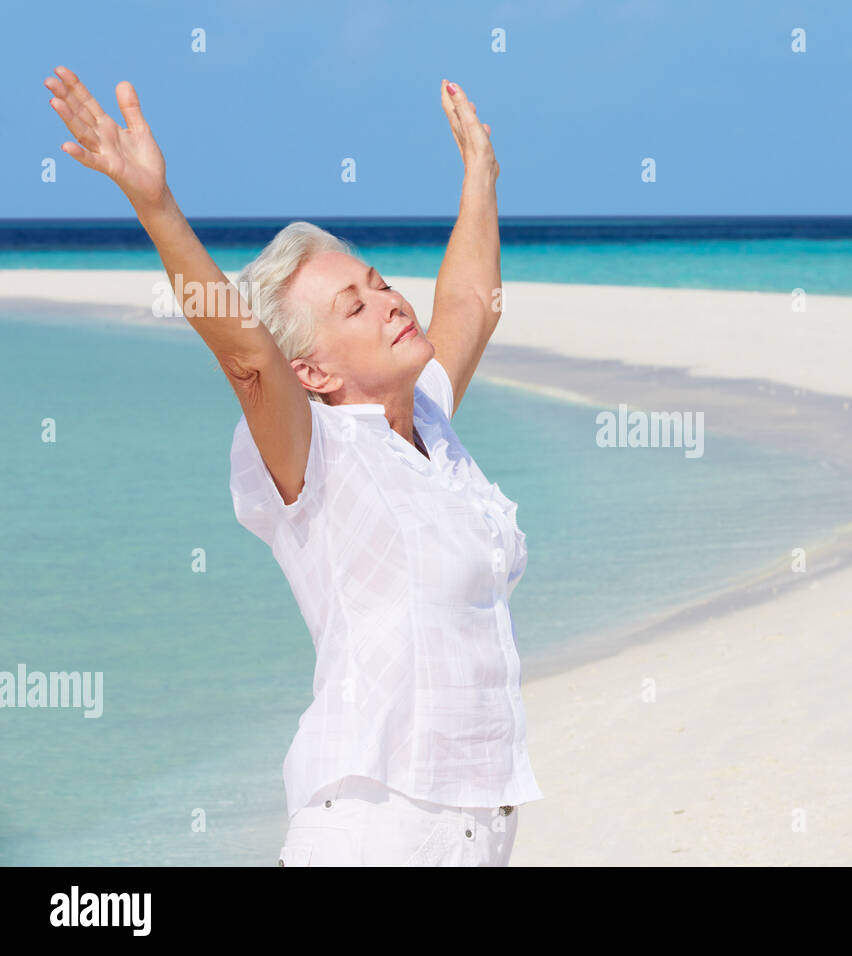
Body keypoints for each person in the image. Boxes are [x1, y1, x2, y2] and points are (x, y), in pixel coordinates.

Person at [42, 65, 542, 866]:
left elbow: (469, 306)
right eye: (355, 305)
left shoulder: (431, 429)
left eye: (380, 284)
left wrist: (480, 175)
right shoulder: (316, 454)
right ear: (309, 370)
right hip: (373, 831)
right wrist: (154, 203)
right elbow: (245, 357)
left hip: (476, 831)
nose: (390, 302)